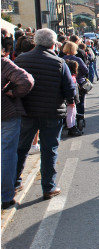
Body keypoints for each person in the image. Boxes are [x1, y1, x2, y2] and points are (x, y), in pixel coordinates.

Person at [14, 29, 76, 201]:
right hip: (51, 112)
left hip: (27, 112)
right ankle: (48, 187)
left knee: (21, 148)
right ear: (52, 44)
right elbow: (69, 89)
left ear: (35, 42)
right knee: (49, 150)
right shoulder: (58, 63)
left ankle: (15, 182)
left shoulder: (20, 60)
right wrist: (68, 100)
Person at [1, 44, 34, 209]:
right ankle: (6, 196)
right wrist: (13, 94)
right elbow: (26, 80)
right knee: (7, 153)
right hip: (5, 112)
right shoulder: (3, 63)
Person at [62, 42, 89, 131]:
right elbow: (86, 70)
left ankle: (68, 121)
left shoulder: (61, 59)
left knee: (68, 104)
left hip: (65, 84)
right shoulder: (77, 59)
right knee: (80, 102)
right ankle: (80, 119)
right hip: (78, 83)